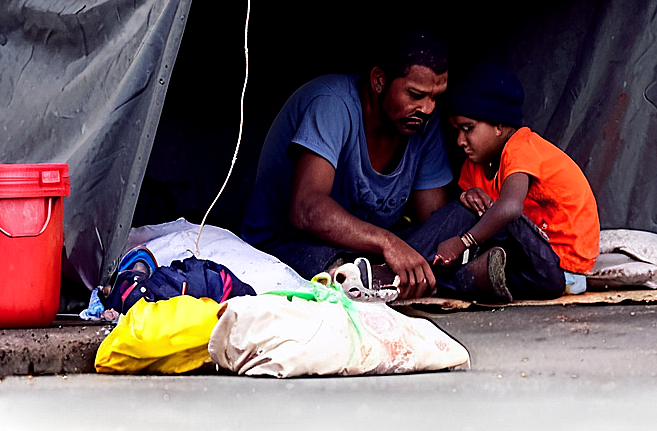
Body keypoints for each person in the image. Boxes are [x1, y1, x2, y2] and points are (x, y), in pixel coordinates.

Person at [241, 28, 455, 300]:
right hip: (292, 243)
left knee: (460, 217)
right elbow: (306, 209)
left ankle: (382, 277)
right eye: (415, 94)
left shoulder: (424, 122)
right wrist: (388, 243)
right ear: (379, 81)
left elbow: (432, 221)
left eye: (435, 97)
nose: (427, 108)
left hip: (371, 251)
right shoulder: (332, 103)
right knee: (341, 270)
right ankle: (378, 277)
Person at [430, 61, 600, 302]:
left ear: (499, 125)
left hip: (561, 262)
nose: (460, 140)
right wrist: (464, 197)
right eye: (457, 130)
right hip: (521, 257)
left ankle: (450, 279)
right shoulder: (473, 165)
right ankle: (438, 275)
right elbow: (461, 217)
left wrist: (462, 242)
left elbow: (510, 208)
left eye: (468, 128)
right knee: (467, 213)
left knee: (501, 220)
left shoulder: (521, 146)